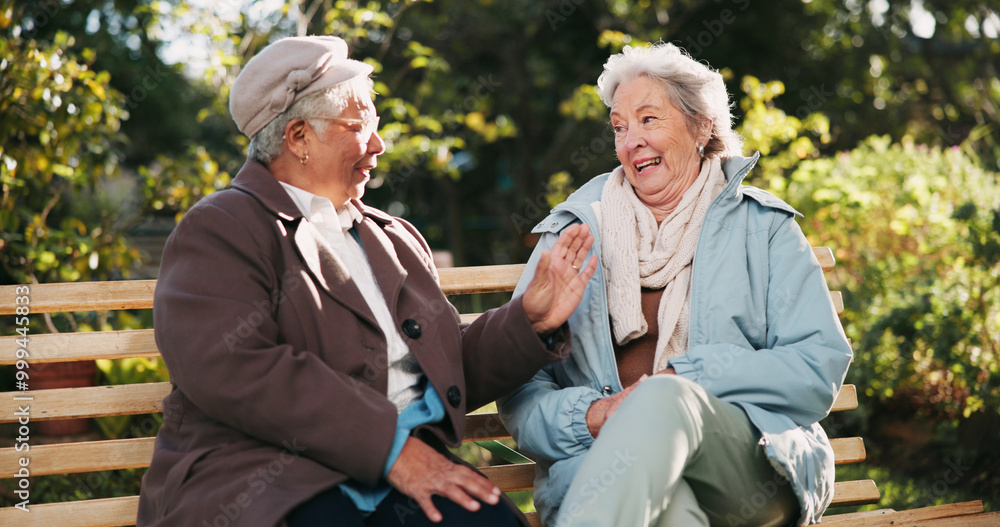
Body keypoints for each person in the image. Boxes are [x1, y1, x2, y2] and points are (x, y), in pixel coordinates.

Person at [136, 35, 597, 527]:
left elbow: (439, 368)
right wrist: (390, 450)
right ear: (298, 137)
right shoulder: (222, 226)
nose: (379, 145)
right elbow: (232, 367)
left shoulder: (391, 237)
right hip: (269, 481)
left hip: (404, 475)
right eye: (359, 127)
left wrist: (528, 320)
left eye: (375, 125)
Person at [498, 42, 853, 527]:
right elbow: (521, 391)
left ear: (702, 125)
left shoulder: (763, 228)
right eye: (620, 127)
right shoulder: (574, 234)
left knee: (662, 401)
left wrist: (689, 381)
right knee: (671, 513)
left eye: (648, 119)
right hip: (605, 474)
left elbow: (816, 365)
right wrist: (591, 415)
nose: (631, 141)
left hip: (746, 468)